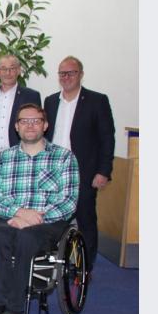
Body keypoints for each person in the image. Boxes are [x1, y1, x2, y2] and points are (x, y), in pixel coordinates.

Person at [0, 103, 79, 314]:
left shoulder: (64, 158)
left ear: (45, 125)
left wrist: (38, 217)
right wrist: (18, 212)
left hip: (48, 222)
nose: (30, 125)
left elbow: (69, 201)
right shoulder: (4, 158)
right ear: (16, 127)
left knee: (26, 238)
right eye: (24, 121)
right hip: (13, 217)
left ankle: (15, 307)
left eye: (35, 121)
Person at [44, 56, 114, 274]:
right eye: (62, 73)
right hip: (53, 171)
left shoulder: (97, 101)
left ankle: (85, 267)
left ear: (80, 75)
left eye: (71, 73)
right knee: (51, 215)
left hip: (83, 170)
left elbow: (107, 138)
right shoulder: (50, 101)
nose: (66, 77)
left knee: (85, 218)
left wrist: (103, 171)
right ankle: (54, 262)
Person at [0, 54, 41, 181]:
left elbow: (37, 129)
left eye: (12, 68)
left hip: (19, 158)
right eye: (3, 68)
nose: (8, 72)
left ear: (19, 70)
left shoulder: (31, 96)